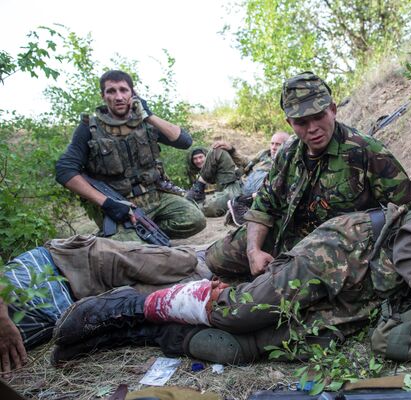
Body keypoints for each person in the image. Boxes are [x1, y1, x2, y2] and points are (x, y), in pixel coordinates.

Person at [50, 167, 411, 366]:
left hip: (383, 297)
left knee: (254, 343)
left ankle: (147, 333)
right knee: (243, 311)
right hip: (355, 249)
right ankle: (128, 304)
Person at [205, 71, 411, 279]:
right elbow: (263, 206)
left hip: (335, 252)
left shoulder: (366, 152)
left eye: (319, 117)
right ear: (289, 123)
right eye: (301, 122)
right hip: (286, 234)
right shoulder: (287, 153)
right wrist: (253, 251)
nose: (313, 128)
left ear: (333, 110)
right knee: (214, 259)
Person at [0, 234, 209, 374]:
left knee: (184, 261)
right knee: (185, 292)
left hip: (65, 264)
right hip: (88, 309)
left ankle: (215, 251)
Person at [55, 70, 205, 242]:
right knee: (136, 251)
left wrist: (148, 115)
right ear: (103, 96)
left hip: (155, 196)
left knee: (196, 220)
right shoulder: (90, 128)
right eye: (111, 91)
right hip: (120, 206)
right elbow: (64, 170)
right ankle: (121, 238)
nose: (118, 97)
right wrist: (107, 204)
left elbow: (184, 141)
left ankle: (139, 235)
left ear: (133, 94)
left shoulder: (144, 122)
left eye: (123, 90)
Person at [185, 131, 290, 217]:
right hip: (238, 184)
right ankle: (198, 188)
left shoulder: (289, 162)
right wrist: (231, 150)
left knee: (211, 208)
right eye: (272, 143)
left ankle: (190, 207)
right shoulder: (264, 154)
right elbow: (246, 163)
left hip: (247, 196)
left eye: (278, 144)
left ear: (286, 146)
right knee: (217, 151)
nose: (273, 147)